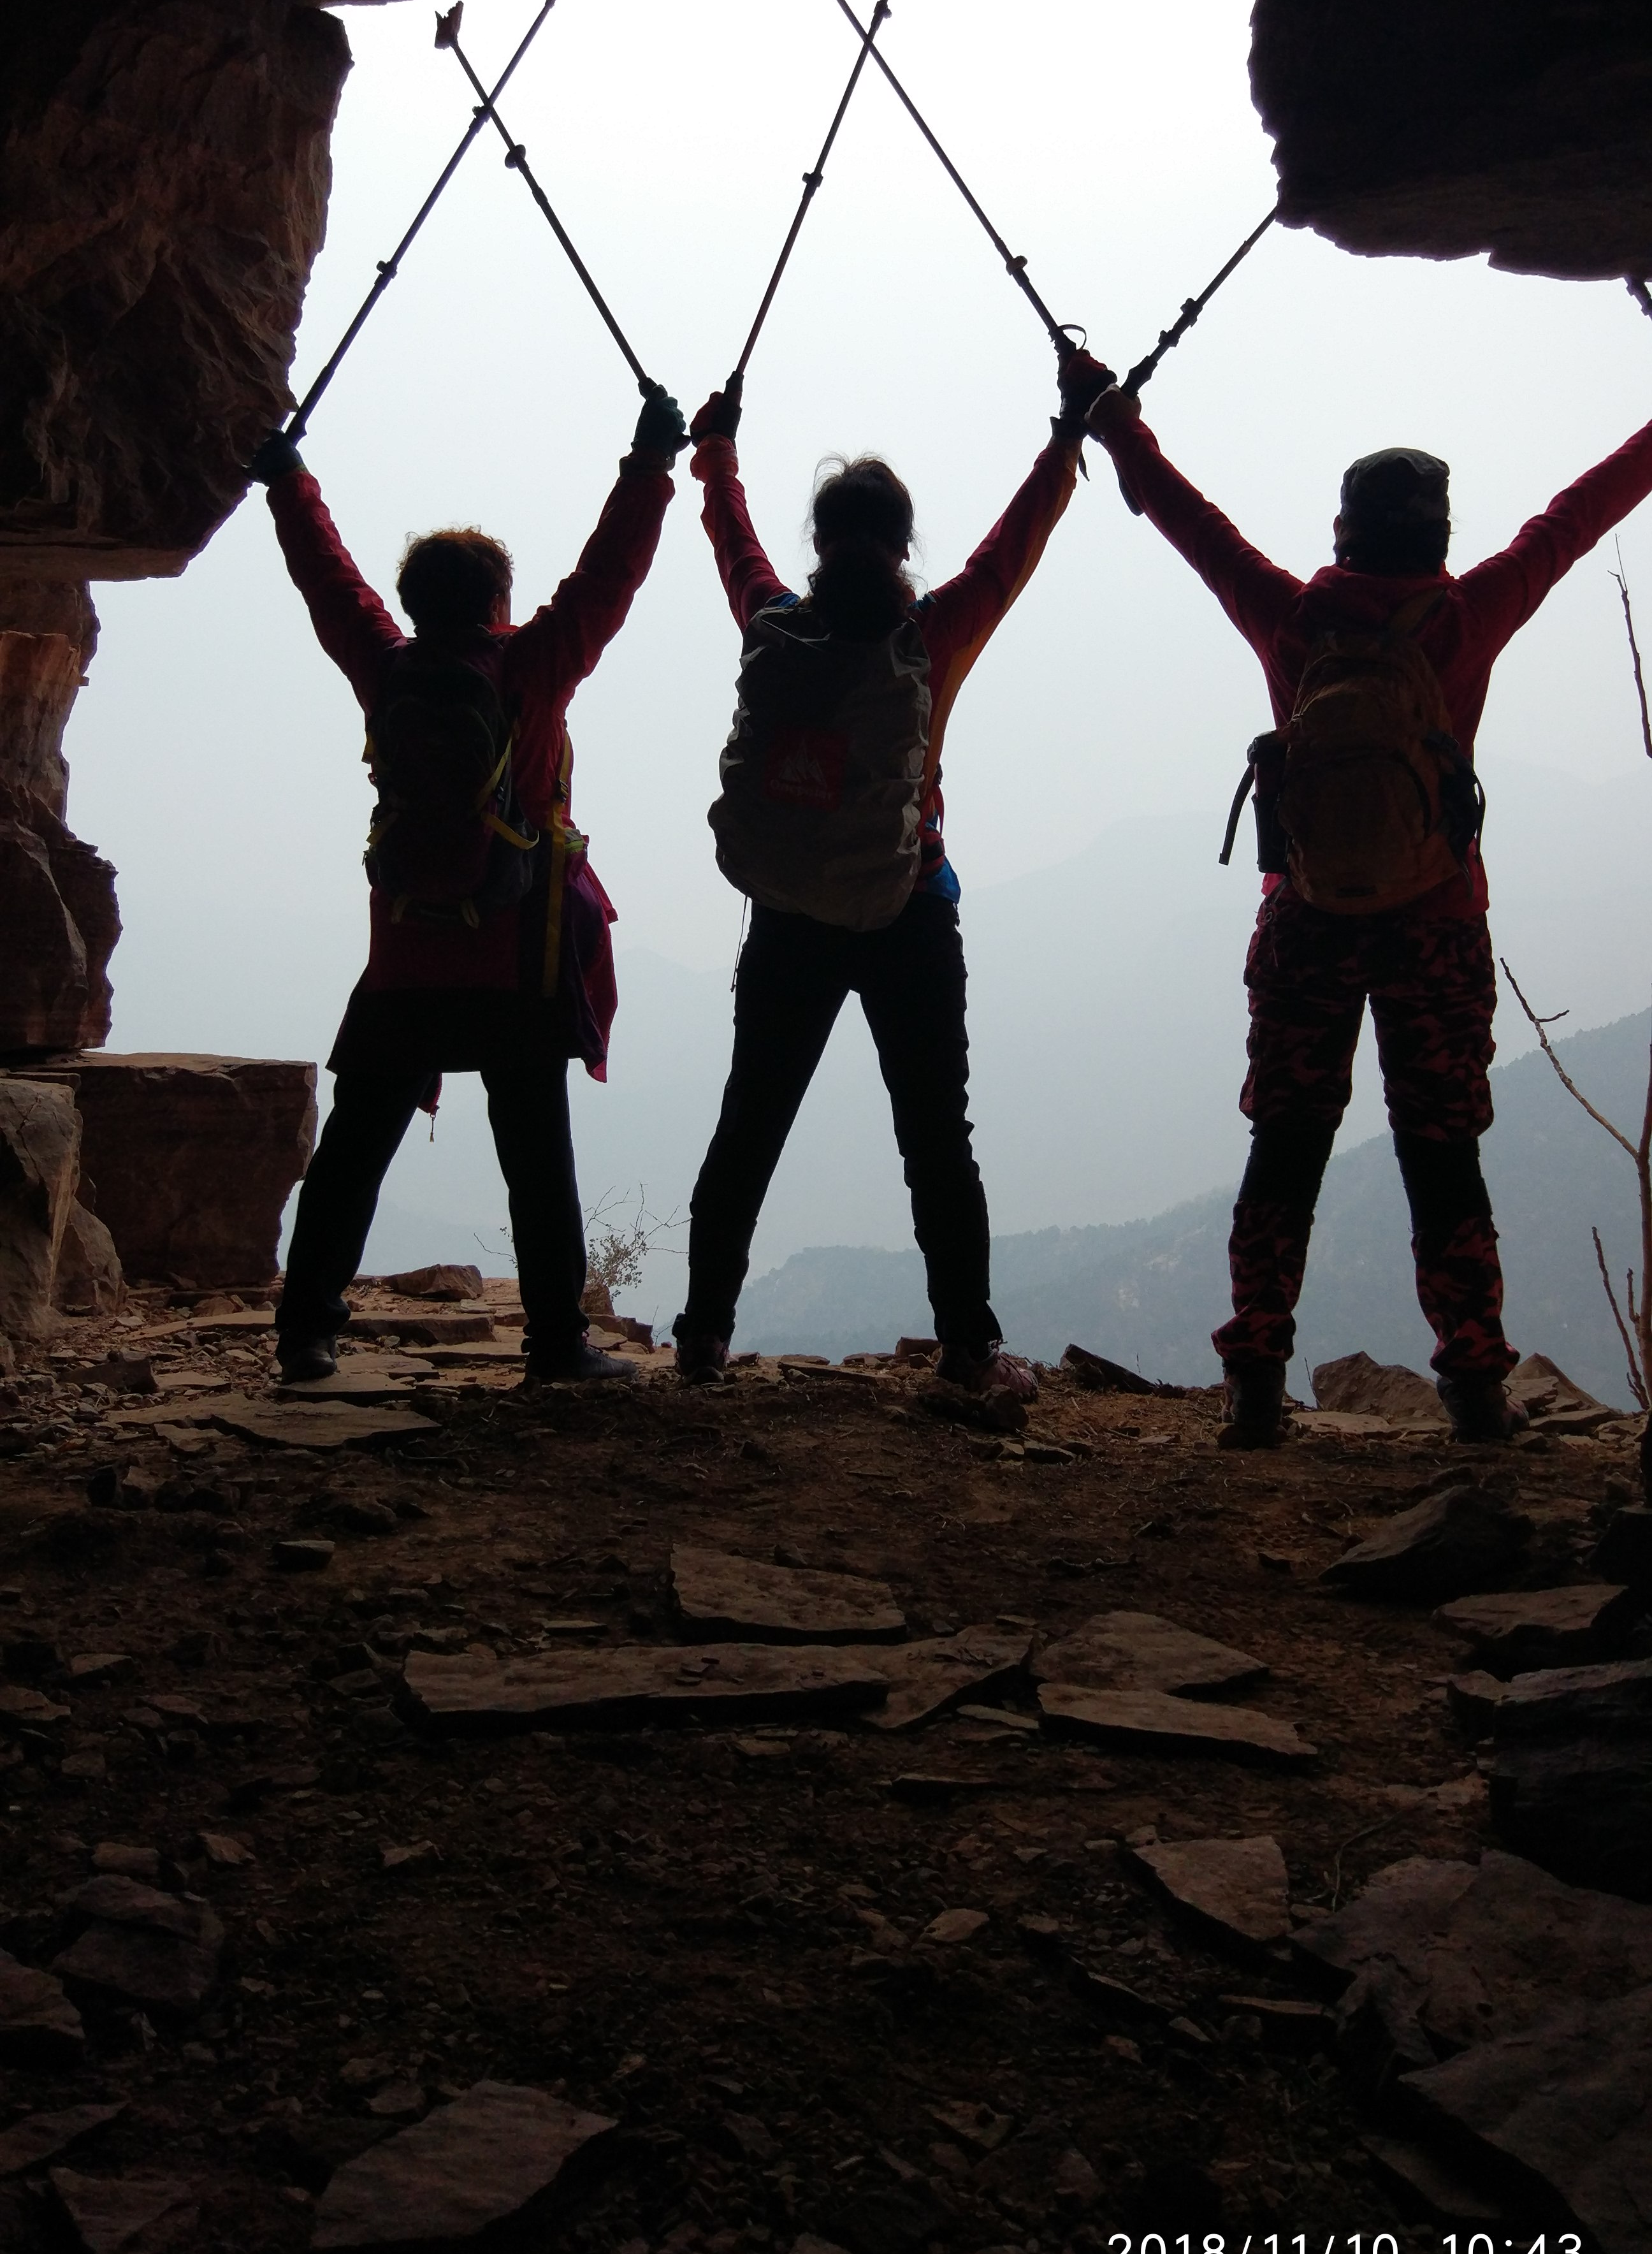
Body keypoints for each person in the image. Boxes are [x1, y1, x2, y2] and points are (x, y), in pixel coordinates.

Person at [1075, 353, 1652, 1448]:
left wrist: (1117, 425)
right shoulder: (1465, 619)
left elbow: (1193, 525)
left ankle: (1254, 1372)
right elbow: (1572, 522)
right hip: (1437, 927)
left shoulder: (1293, 621)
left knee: (1285, 1144)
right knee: (1443, 1154)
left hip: (1307, 928)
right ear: (1435, 534)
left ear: (1341, 532)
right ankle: (1476, 1380)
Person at [670, 363, 1097, 1412]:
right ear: (906, 547)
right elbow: (1016, 545)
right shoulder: (928, 637)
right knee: (936, 1140)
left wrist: (715, 452)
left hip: (786, 918)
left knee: (748, 1125)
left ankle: (702, 1336)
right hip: (908, 911)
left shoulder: (775, 623)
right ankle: (967, 1349)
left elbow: (732, 543)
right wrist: (1067, 435)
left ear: (819, 545)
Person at [245, 384, 688, 1387]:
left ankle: (307, 1333)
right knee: (535, 1154)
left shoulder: (386, 666)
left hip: (406, 952)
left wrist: (286, 481)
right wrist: (650, 464)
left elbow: (330, 580)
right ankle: (555, 1345)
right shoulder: (529, 668)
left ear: (414, 604)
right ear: (498, 601)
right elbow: (606, 578)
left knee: (356, 1147)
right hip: (513, 957)